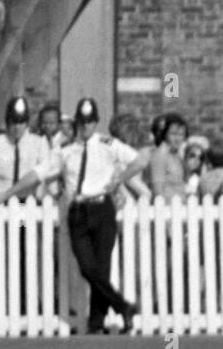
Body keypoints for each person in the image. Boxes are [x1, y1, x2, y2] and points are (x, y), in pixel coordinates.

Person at [12, 98, 147, 334]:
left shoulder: (108, 144)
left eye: (90, 122)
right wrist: (9, 192)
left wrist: (120, 179)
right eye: (82, 122)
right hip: (78, 211)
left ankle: (96, 323)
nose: (86, 127)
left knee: (101, 268)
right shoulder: (65, 150)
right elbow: (39, 173)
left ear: (96, 123)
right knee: (87, 267)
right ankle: (123, 306)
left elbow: (138, 160)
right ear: (77, 123)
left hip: (102, 208)